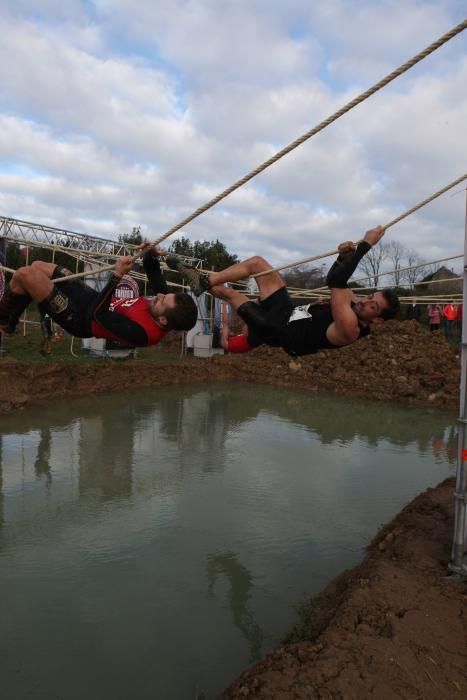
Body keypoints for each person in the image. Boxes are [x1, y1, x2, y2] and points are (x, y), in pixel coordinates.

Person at [168, 226, 400, 357]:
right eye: (371, 296)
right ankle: (203, 281)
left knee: (233, 295)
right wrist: (343, 256)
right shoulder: (354, 302)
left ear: (378, 320)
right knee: (257, 264)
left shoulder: (350, 328)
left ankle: (202, 283)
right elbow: (335, 276)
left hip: (280, 331)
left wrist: (366, 246)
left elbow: (337, 282)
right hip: (287, 312)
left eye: (373, 305)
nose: (366, 301)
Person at [0, 244, 198, 346]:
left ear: (163, 320)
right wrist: (150, 252)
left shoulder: (144, 334)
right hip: (92, 299)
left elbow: (98, 314)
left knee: (24, 275)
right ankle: (9, 324)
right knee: (37, 267)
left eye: (162, 300)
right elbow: (153, 270)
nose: (159, 296)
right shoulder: (168, 306)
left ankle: (3, 319)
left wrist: (117, 276)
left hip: (81, 319)